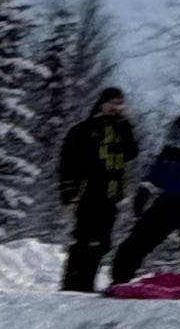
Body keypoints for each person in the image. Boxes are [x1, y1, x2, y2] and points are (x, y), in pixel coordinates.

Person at [108, 107, 180, 296]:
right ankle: (119, 278)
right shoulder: (169, 151)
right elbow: (154, 173)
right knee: (139, 237)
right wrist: (143, 192)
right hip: (168, 200)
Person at [54, 85, 140, 293]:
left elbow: (131, 152)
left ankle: (86, 282)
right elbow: (67, 161)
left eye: (119, 104)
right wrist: (70, 191)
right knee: (85, 239)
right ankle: (74, 283)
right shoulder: (84, 129)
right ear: (102, 104)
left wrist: (126, 125)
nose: (116, 107)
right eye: (112, 103)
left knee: (102, 241)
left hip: (111, 193)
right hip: (88, 190)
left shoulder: (121, 129)